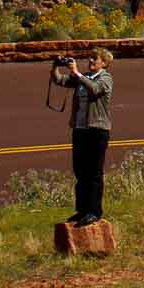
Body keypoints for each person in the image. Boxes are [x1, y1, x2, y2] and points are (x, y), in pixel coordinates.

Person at [52, 48, 113, 226]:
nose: (91, 60)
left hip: (97, 130)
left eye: (95, 58)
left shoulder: (105, 78)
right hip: (80, 129)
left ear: (104, 63)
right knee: (80, 172)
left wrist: (77, 73)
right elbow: (59, 80)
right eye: (91, 57)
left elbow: (94, 90)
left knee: (94, 172)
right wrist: (55, 66)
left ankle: (94, 211)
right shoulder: (82, 76)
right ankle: (82, 210)